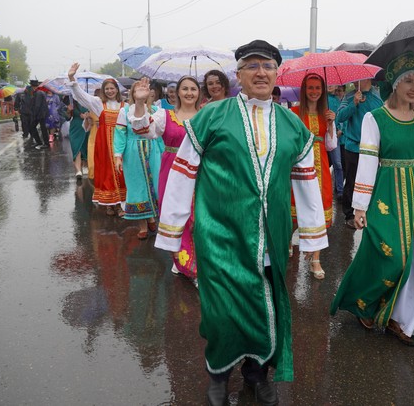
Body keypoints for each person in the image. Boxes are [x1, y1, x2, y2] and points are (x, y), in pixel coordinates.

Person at [155, 40, 327, 406]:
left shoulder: (291, 124)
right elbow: (183, 173)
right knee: (221, 310)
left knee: (265, 307)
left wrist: (312, 234)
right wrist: (172, 230)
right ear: (239, 75)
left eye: (267, 65)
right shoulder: (212, 116)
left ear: (277, 72)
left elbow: (307, 179)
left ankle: (256, 375)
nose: (260, 72)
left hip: (271, 236)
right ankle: (217, 374)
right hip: (220, 234)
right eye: (252, 66)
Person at [330, 51, 414, 347]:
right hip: (385, 192)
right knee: (390, 254)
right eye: (408, 81)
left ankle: (399, 318)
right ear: (395, 84)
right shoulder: (376, 119)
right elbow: (367, 162)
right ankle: (365, 301)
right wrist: (359, 206)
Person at [128, 75, 202, 283]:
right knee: (177, 215)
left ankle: (198, 261)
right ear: (177, 92)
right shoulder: (165, 116)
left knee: (199, 217)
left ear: (199, 93)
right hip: (172, 171)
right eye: (184, 88)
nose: (189, 93)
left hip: (200, 171)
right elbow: (142, 130)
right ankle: (184, 262)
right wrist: (141, 102)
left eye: (193, 89)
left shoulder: (206, 115)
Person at [290, 73, 337, 279]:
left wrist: (332, 125)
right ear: (304, 89)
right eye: (311, 88)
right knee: (294, 213)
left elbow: (331, 145)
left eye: (318, 88)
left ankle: (315, 258)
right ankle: (286, 244)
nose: (314, 92)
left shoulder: (326, 114)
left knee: (319, 211)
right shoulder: (292, 113)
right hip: (298, 168)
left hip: (322, 168)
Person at [67, 63, 127, 216]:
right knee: (107, 172)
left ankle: (120, 204)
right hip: (105, 142)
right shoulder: (98, 103)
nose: (110, 91)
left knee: (121, 172)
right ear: (103, 91)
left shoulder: (124, 105)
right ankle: (109, 203)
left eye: (112, 88)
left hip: (120, 141)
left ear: (117, 90)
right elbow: (81, 95)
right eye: (107, 89)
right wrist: (72, 78)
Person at [114, 80, 164, 240]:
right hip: (133, 152)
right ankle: (143, 224)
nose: (141, 91)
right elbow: (120, 134)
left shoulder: (156, 110)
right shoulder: (125, 111)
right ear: (132, 94)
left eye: (144, 89)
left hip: (154, 150)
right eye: (137, 89)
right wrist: (118, 155)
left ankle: (151, 217)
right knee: (137, 187)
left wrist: (165, 153)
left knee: (155, 184)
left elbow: (160, 135)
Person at [336, 78, 383, 229]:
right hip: (352, 146)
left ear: (368, 78)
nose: (355, 82)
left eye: (359, 80)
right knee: (351, 181)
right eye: (354, 80)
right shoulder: (349, 96)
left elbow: (382, 120)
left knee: (372, 181)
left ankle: (370, 211)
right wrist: (353, 104)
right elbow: (340, 116)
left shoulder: (377, 97)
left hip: (371, 149)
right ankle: (349, 214)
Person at [327, 85, 345, 200]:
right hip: (321, 134)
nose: (330, 86)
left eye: (333, 84)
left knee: (338, 164)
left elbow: (342, 117)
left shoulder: (339, 101)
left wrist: (340, 129)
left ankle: (340, 190)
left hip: (335, 136)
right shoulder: (321, 99)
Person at [67, 98, 89, 181]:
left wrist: (87, 116)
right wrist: (69, 111)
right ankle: (78, 170)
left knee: (84, 148)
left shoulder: (89, 102)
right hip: (75, 128)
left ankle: (85, 166)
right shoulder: (72, 103)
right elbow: (67, 118)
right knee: (77, 149)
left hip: (86, 127)